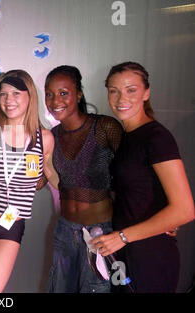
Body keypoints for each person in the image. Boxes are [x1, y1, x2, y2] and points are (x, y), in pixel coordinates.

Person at [92, 61, 194, 293]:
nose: (121, 99)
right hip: (126, 253)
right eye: (114, 91)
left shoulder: (156, 138)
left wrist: (123, 237)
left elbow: (185, 209)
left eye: (131, 90)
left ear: (146, 93)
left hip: (150, 257)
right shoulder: (127, 137)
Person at [0, 70, 57, 293]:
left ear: (30, 97)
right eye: (4, 94)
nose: (9, 100)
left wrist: (84, 189)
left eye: (16, 93)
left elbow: (50, 173)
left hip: (10, 224)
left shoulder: (43, 139)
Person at [44, 65, 124, 293]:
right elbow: (48, 177)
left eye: (63, 93)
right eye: (49, 94)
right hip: (65, 230)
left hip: (100, 233)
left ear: (78, 94)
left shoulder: (105, 127)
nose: (55, 100)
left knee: (96, 288)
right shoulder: (54, 136)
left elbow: (132, 177)